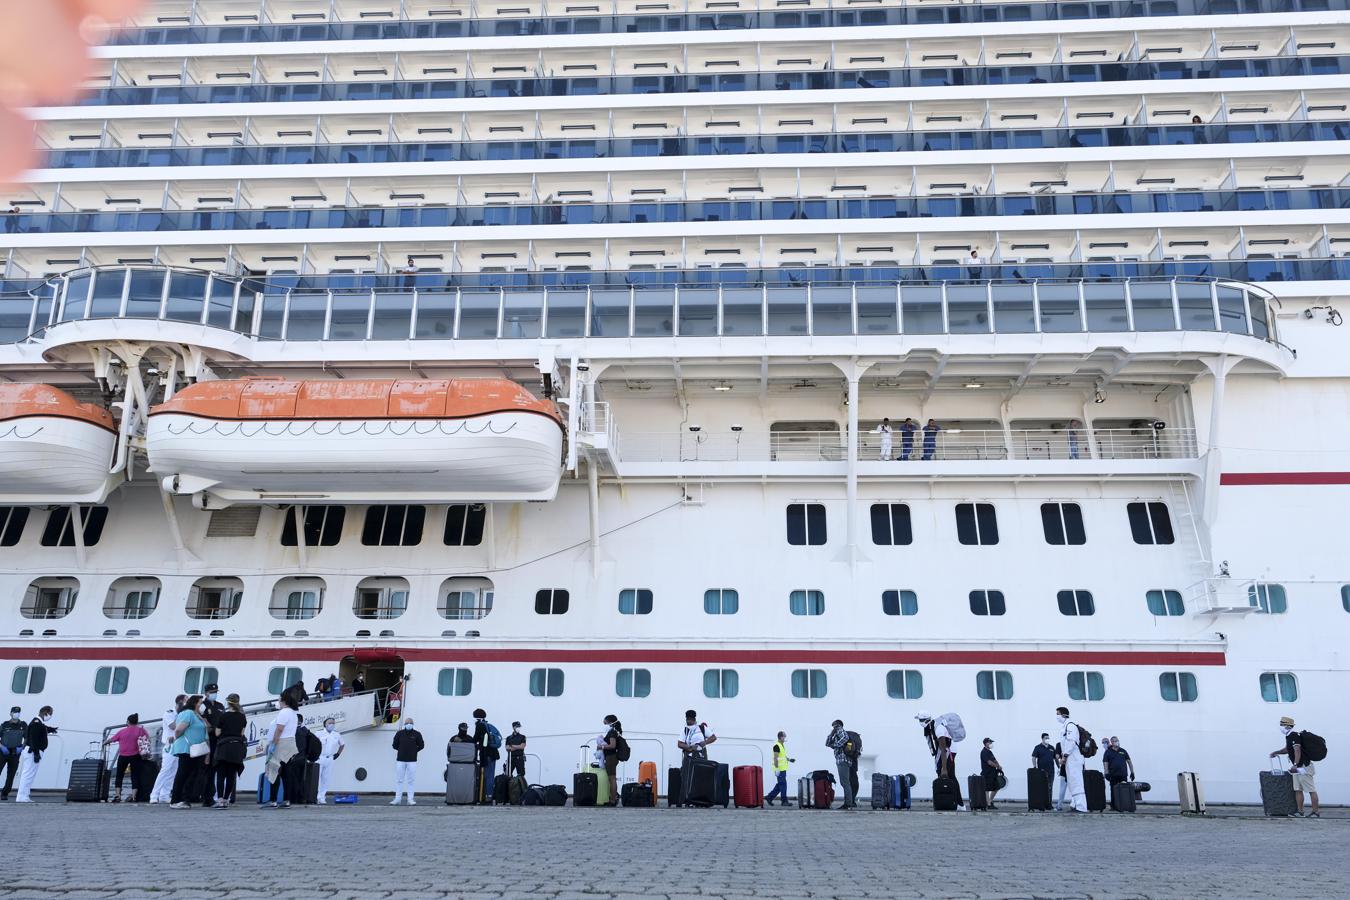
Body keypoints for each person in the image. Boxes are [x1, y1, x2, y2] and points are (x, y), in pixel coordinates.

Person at [1270, 716, 1320, 818]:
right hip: (1297, 768)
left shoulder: (1294, 735)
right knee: (1298, 789)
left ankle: (1315, 811)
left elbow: (1297, 750)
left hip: (1303, 767)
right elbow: (1288, 749)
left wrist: (1295, 764)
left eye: (1282, 724)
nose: (1281, 727)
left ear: (1288, 726)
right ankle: (1300, 811)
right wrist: (1277, 752)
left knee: (1311, 789)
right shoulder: (1289, 736)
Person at [915, 710, 964, 810]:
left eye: (920, 720)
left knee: (950, 775)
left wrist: (944, 768)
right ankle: (951, 802)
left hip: (948, 752)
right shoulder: (932, 726)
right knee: (950, 776)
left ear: (925, 720)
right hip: (946, 751)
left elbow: (943, 748)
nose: (919, 722)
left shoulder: (938, 729)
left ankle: (959, 804)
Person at [168, 696, 207, 809]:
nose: (201, 705)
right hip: (186, 748)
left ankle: (184, 798)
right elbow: (179, 730)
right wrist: (178, 737)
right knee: (183, 773)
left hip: (196, 749)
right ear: (195, 703)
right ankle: (175, 800)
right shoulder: (188, 713)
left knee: (191, 774)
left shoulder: (197, 715)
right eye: (200, 702)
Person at [264, 690, 301, 809]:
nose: (278, 702)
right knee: (286, 773)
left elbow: (279, 729)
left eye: (279, 700)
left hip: (281, 743)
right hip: (290, 743)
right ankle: (287, 800)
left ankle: (273, 800)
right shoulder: (293, 713)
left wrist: (273, 744)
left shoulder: (284, 712)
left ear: (283, 701)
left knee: (274, 771)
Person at [14, 706, 56, 803]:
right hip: (33, 751)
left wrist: (50, 729)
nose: (50, 716)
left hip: (33, 751)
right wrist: (36, 753)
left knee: (30, 774)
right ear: (45, 713)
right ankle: (22, 796)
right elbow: (34, 739)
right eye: (50, 713)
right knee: (28, 774)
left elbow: (42, 729)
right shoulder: (36, 723)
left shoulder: (38, 722)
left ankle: (25, 795)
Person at [212, 694, 247, 809]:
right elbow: (242, 734)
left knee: (221, 775)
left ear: (228, 703)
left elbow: (217, 733)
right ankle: (227, 799)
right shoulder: (242, 717)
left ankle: (220, 800)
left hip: (224, 747)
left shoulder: (223, 716)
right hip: (237, 748)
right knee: (231, 775)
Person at [104, 713, 148, 803]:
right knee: (135, 776)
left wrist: (104, 743)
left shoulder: (122, 731)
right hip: (135, 756)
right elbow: (147, 739)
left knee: (119, 775)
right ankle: (134, 797)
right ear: (136, 722)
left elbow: (112, 739)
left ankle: (117, 796)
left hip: (123, 756)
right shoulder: (140, 730)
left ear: (128, 722)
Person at [149, 695, 185, 804]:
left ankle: (165, 794)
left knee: (173, 771)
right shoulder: (169, 713)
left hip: (179, 744)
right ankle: (154, 794)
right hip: (170, 745)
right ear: (180, 702)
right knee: (165, 770)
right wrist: (186, 721)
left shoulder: (183, 714)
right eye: (186, 701)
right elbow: (173, 726)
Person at [197, 682, 224, 806]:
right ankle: (205, 797)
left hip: (218, 740)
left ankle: (210, 796)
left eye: (216, 692)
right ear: (206, 693)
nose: (214, 694)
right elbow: (202, 721)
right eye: (212, 692)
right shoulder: (202, 706)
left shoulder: (220, 706)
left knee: (214, 768)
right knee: (206, 769)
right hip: (208, 739)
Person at [1057, 706, 1088, 813]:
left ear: (1064, 715)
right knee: (1072, 783)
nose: (1057, 717)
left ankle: (1081, 807)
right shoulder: (1065, 726)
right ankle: (1075, 804)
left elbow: (1071, 742)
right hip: (1070, 758)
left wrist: (1064, 756)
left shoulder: (1070, 726)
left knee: (1077, 782)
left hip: (1073, 758)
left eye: (1058, 714)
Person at [391, 716, 424, 805]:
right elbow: (394, 745)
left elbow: (421, 745)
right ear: (404, 724)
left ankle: (410, 799)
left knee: (411, 780)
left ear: (412, 724)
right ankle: (397, 799)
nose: (408, 724)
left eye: (410, 723)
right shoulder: (399, 734)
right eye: (407, 723)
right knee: (399, 780)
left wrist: (414, 751)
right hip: (400, 760)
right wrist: (402, 750)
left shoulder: (417, 734)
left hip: (412, 760)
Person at [824, 719, 855, 810]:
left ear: (838, 725)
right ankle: (848, 802)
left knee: (845, 782)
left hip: (843, 759)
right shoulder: (836, 732)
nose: (834, 728)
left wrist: (836, 744)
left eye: (834, 726)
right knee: (844, 782)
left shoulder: (840, 730)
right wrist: (831, 734)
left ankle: (848, 803)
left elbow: (845, 738)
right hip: (842, 760)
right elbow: (827, 744)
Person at [472, 708, 500, 801]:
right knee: (490, 775)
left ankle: (488, 796)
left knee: (487, 775)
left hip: (486, 754)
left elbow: (475, 739)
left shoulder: (480, 725)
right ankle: (488, 795)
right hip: (493, 753)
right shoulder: (487, 724)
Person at [316, 717, 345, 804]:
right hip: (320, 757)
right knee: (317, 778)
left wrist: (338, 754)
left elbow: (342, 744)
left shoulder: (336, 734)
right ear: (325, 724)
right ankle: (315, 796)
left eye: (333, 723)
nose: (332, 724)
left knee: (326, 779)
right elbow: (312, 744)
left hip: (330, 758)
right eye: (330, 723)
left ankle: (322, 797)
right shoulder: (319, 733)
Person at [1102, 736, 1135, 811]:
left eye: (1116, 740)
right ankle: (1114, 806)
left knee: (1124, 790)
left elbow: (1129, 761)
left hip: (1123, 775)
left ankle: (1124, 805)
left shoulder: (1123, 751)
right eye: (1114, 741)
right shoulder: (1108, 752)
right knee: (1113, 791)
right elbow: (1105, 763)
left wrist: (1132, 772)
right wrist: (1106, 773)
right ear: (1111, 743)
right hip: (1113, 775)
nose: (1116, 742)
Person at [0, 706, 24, 800]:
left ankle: (5, 793)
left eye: (18, 712)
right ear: (11, 713)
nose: (16, 714)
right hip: (3, 752)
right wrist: (1, 747)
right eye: (14, 712)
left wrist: (22, 747)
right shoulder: (4, 725)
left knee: (11, 774)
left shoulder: (23, 725)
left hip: (15, 753)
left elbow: (26, 738)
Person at [765, 731, 794, 807]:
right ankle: (784, 801)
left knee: (780, 785)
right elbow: (775, 758)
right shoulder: (776, 746)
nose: (785, 738)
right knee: (783, 785)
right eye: (784, 736)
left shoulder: (782, 745)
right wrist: (777, 769)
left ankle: (769, 797)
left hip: (783, 769)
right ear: (781, 737)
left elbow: (783, 756)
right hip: (779, 770)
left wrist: (789, 759)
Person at [600, 714, 622, 808]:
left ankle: (612, 800)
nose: (604, 725)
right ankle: (612, 799)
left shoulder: (612, 732)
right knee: (611, 779)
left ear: (610, 723)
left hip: (611, 757)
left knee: (612, 779)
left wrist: (601, 746)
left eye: (605, 723)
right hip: (611, 757)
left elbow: (612, 745)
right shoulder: (613, 731)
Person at [980, 738, 1003, 809]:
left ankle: (989, 801)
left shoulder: (989, 752)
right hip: (987, 773)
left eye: (991, 742)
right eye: (990, 742)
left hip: (993, 773)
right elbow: (989, 762)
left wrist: (999, 766)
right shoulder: (984, 752)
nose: (991, 744)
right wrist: (997, 766)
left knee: (997, 787)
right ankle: (989, 804)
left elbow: (994, 760)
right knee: (987, 789)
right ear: (986, 743)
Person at [1031, 732, 1057, 797]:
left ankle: (1049, 805)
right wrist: (1035, 767)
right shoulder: (1038, 747)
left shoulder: (1052, 747)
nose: (1047, 739)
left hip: (1051, 771)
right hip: (1041, 771)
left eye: (1048, 738)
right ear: (1042, 739)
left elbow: (1056, 758)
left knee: (1050, 787)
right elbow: (1034, 757)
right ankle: (1042, 804)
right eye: (1046, 738)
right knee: (1042, 787)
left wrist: (1059, 767)